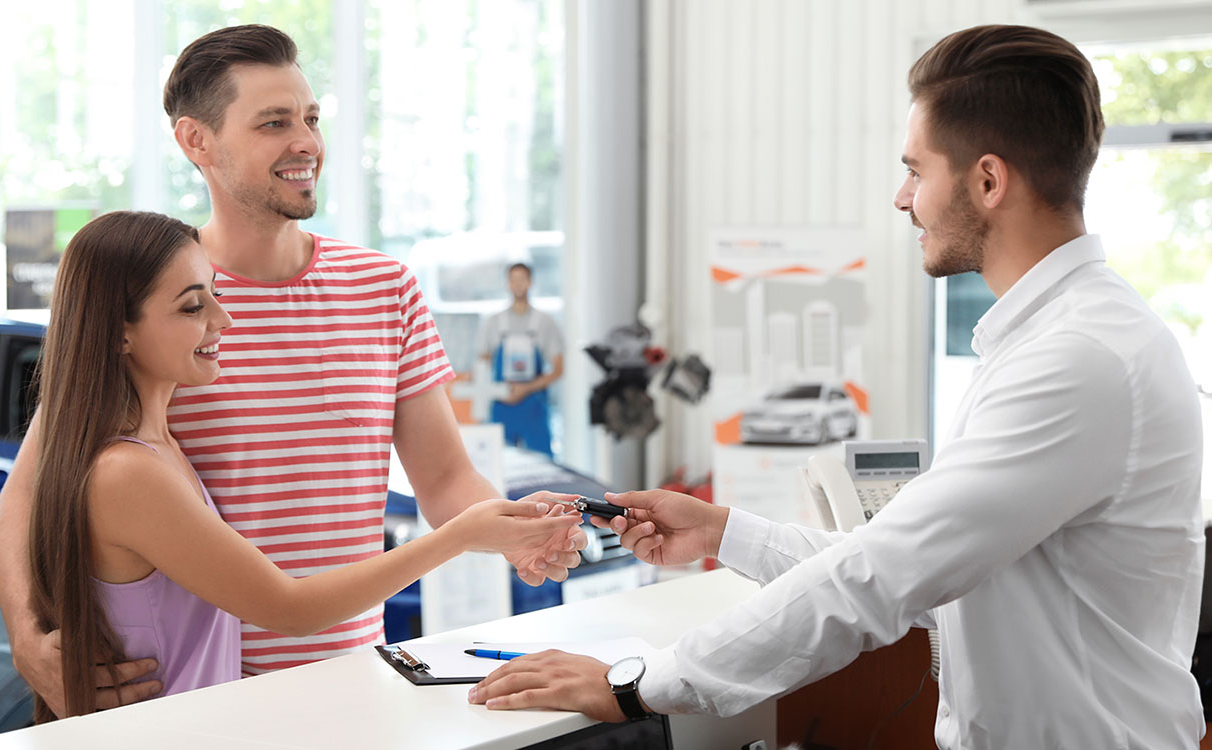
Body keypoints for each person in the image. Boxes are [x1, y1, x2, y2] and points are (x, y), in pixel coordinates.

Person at [468, 24, 1206, 748]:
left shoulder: (1079, 359)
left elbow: (881, 574)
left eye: (916, 171)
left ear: (986, 180)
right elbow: (909, 559)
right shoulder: (1054, 340)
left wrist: (636, 685)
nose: (900, 197)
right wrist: (724, 533)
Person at [0, 24, 585, 717]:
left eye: (310, 118)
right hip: (199, 695)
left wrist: (517, 534)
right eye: (274, 123)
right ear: (196, 142)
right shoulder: (160, 306)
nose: (305, 142)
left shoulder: (384, 287)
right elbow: (29, 494)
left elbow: (446, 479)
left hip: (354, 680)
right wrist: (27, 640)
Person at [26, 210, 581, 720]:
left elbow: (445, 474)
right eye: (194, 306)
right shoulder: (129, 471)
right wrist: (458, 536)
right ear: (119, 330)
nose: (225, 320)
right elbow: (289, 609)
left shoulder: (161, 446)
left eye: (215, 296)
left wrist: (506, 526)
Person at [476, 262, 564, 456]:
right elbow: (482, 364)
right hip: (501, 406)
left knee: (542, 466)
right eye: (513, 280)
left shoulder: (544, 322)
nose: (518, 285)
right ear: (507, 283)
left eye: (522, 279)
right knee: (500, 464)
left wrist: (526, 388)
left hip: (533, 407)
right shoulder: (494, 323)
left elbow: (558, 369)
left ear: (530, 282)